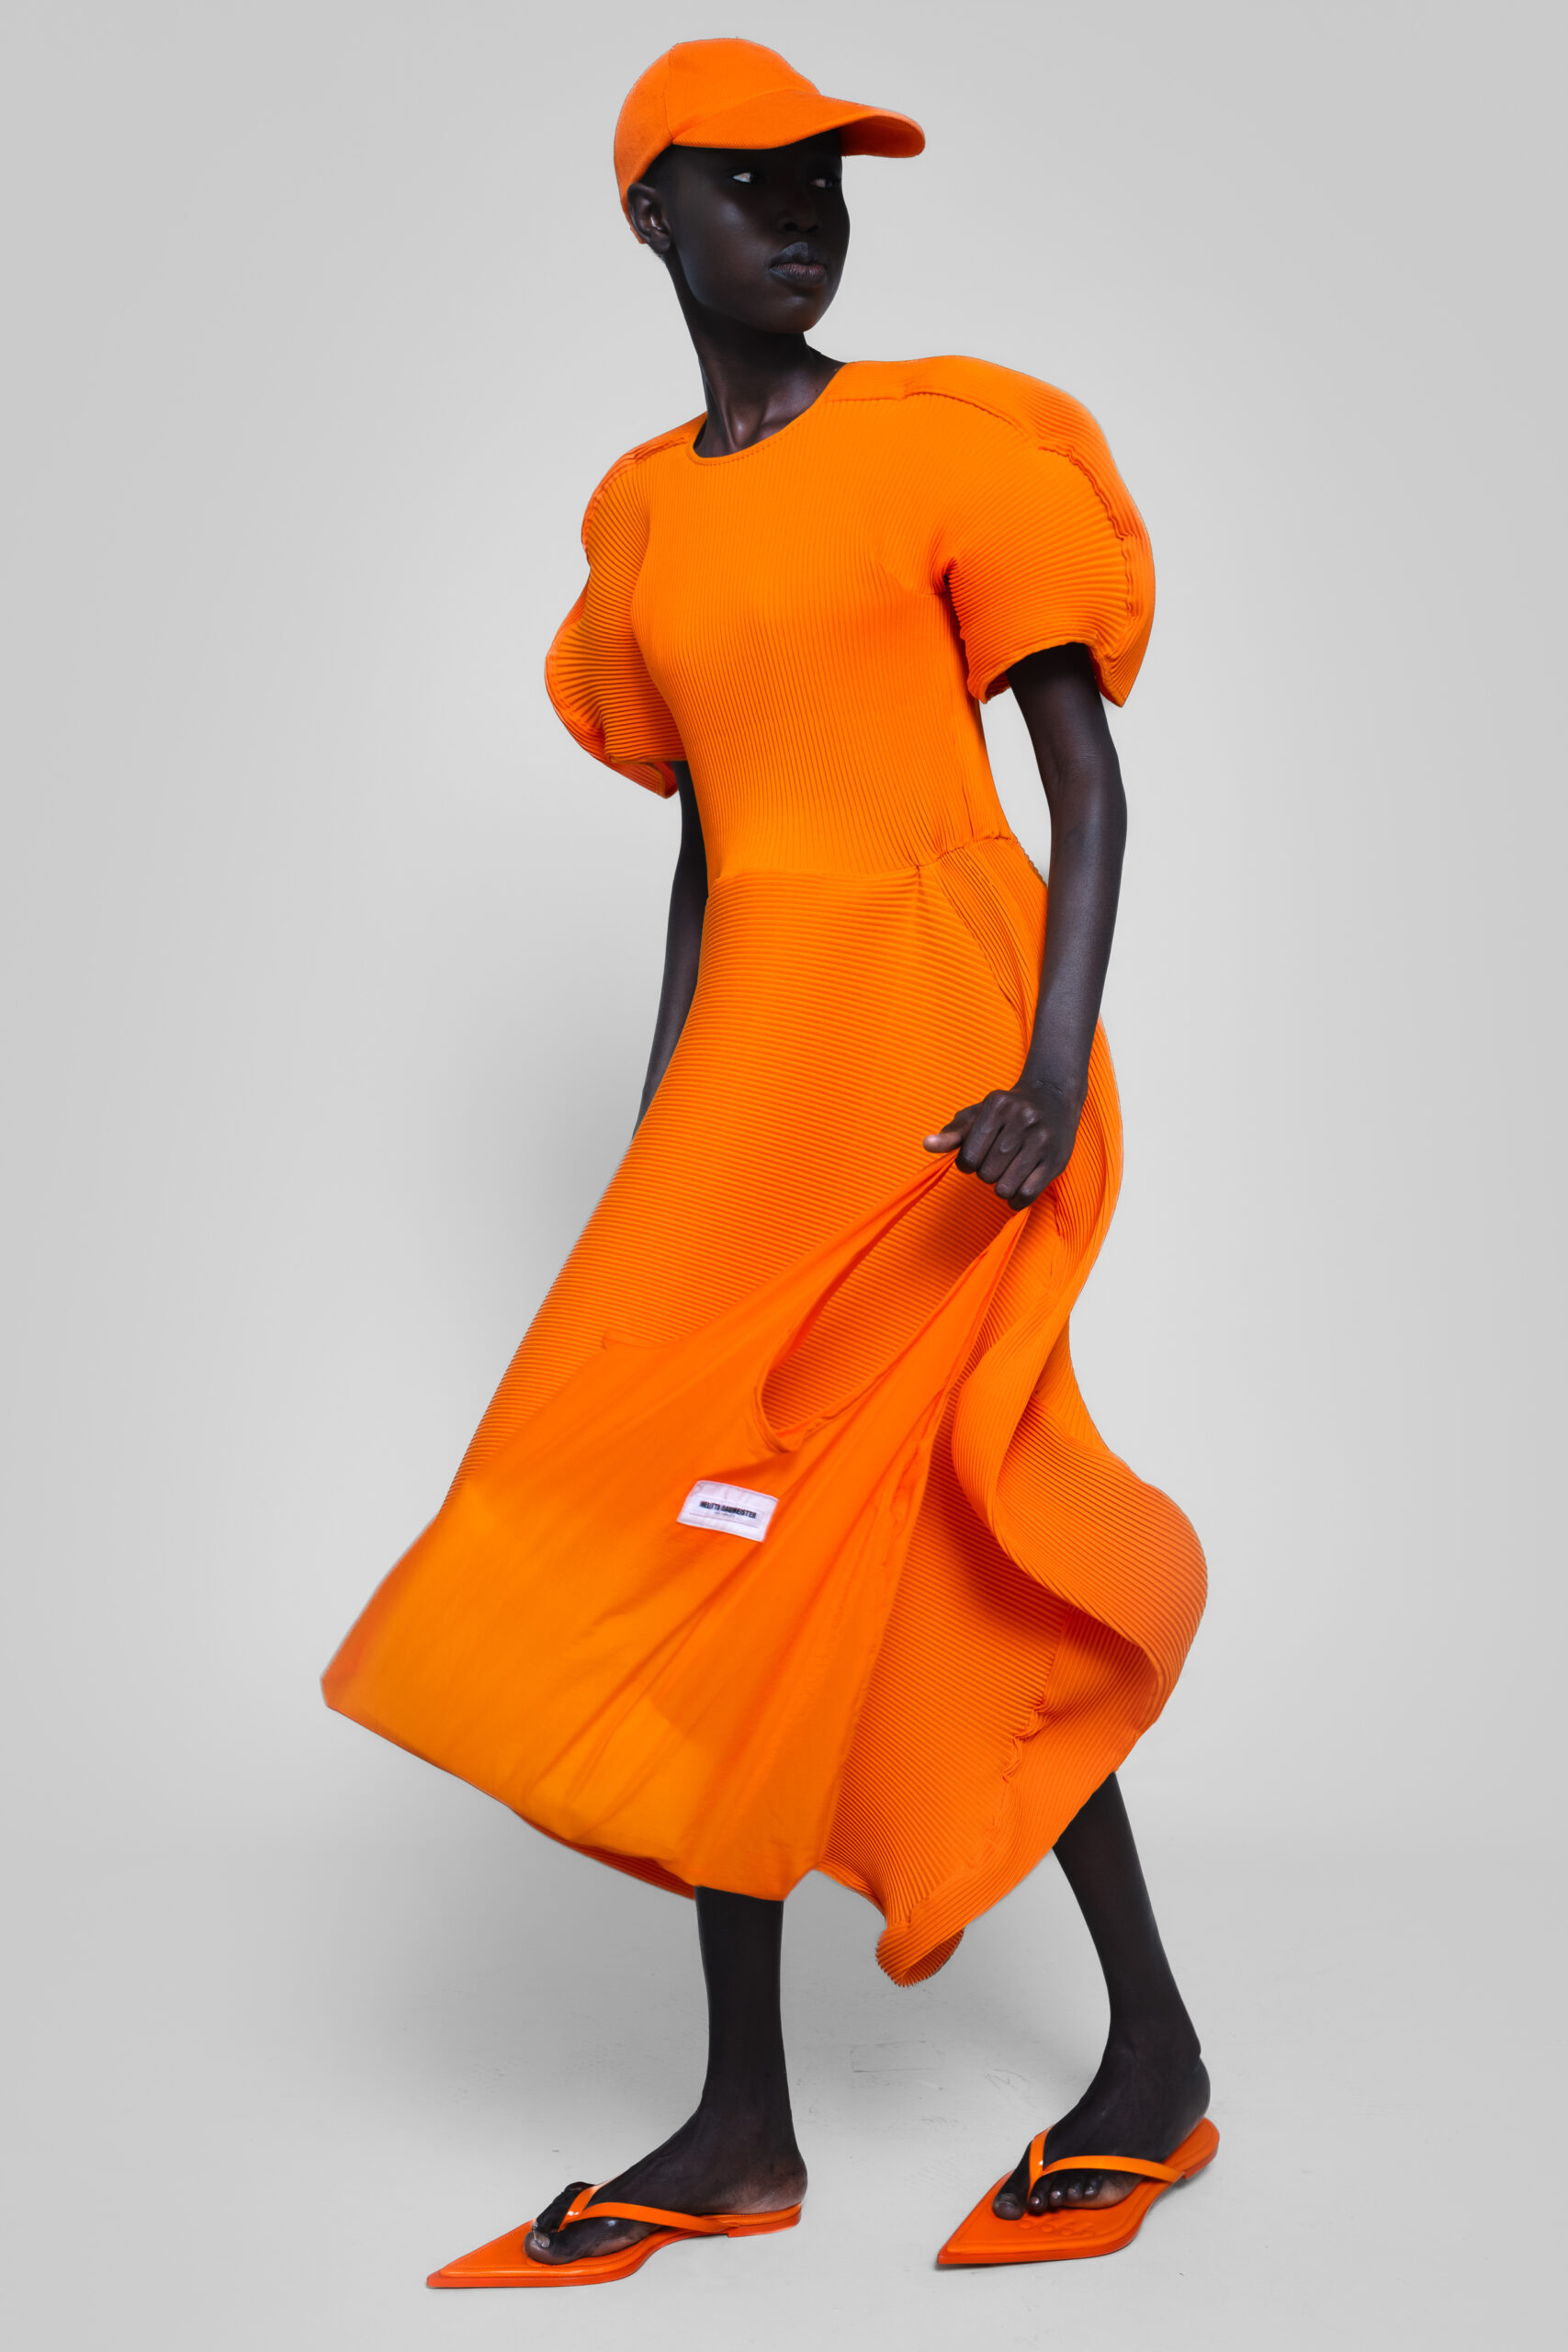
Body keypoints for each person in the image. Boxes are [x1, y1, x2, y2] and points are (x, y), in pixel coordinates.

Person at [324, 38, 1215, 2286]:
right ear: (651, 216)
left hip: (944, 1036)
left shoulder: (943, 445)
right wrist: (664, 1118)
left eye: (823, 178)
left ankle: (1148, 2058)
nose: (801, 214)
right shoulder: (643, 518)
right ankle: (742, 2119)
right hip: (755, 1057)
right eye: (749, 182)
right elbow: (711, 849)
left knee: (939, 1521)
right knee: (708, 1523)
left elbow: (1084, 789)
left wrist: (1044, 1070)